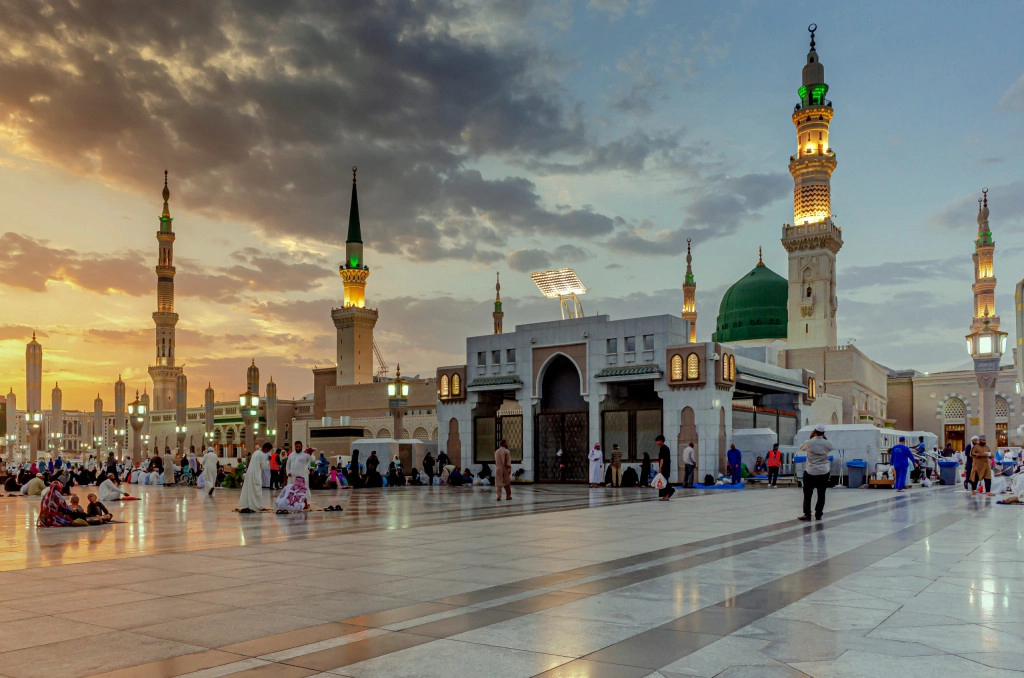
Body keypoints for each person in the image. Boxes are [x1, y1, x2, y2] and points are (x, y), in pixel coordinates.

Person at [798, 424, 833, 521]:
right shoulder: (827, 443)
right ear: (823, 432)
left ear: (815, 431)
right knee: (821, 493)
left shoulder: (808, 442)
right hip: (823, 471)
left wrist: (811, 437)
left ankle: (807, 513)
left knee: (808, 494)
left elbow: (802, 448)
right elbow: (830, 449)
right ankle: (818, 514)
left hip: (811, 471)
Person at [238, 442, 271, 513]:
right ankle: (256, 506)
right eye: (268, 450)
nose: (267, 452)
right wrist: (268, 461)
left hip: (249, 473)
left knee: (249, 490)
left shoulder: (256, 452)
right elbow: (263, 466)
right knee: (257, 491)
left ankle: (248, 505)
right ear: (266, 449)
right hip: (256, 474)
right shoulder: (262, 455)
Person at [655, 435, 674, 500]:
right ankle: (666, 495)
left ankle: (668, 493)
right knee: (664, 481)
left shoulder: (663, 448)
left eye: (657, 441)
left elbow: (662, 459)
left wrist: (660, 467)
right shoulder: (666, 448)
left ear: (661, 441)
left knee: (663, 481)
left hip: (664, 468)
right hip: (667, 467)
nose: (656, 443)